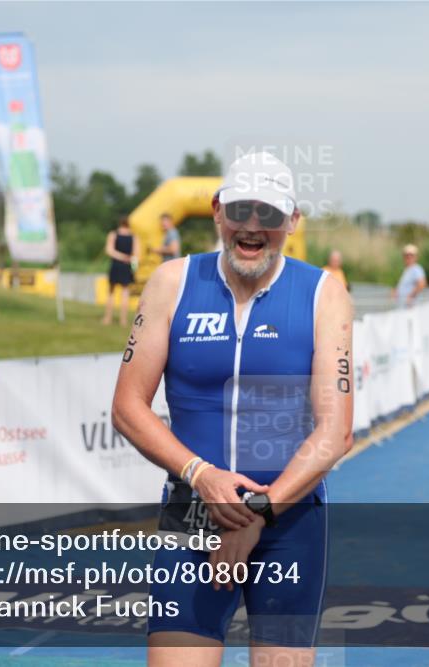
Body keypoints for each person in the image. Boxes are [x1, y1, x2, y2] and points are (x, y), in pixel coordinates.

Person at [112, 151, 353, 667]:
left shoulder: (322, 293)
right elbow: (128, 406)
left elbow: (336, 431)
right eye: (241, 209)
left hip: (290, 519)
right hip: (195, 511)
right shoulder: (173, 283)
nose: (252, 226)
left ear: (292, 221)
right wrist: (200, 475)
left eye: (269, 214)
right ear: (218, 210)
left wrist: (257, 514)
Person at [103, 216, 138, 326]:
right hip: (127, 265)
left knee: (111, 292)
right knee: (125, 292)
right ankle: (123, 320)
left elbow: (109, 250)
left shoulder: (113, 234)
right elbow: (136, 254)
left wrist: (121, 256)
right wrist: (130, 260)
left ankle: (107, 318)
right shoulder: (134, 237)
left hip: (116, 264)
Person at [391, 243, 427, 308]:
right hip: (402, 307)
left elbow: (422, 284)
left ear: (416, 257)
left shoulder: (416, 269)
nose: (409, 257)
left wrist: (411, 296)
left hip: (410, 308)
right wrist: (396, 291)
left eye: (411, 255)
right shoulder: (407, 270)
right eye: (407, 255)